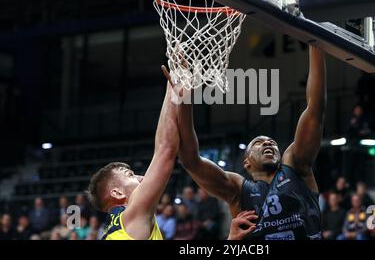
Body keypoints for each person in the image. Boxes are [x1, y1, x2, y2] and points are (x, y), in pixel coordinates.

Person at [175, 46, 326, 240]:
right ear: (246, 162)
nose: (268, 143)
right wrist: (185, 96)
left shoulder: (295, 166)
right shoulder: (238, 190)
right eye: (258, 142)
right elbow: (190, 160)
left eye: (272, 142)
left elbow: (315, 110)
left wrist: (316, 44)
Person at [87, 75, 180, 240]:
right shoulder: (132, 215)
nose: (143, 177)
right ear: (116, 193)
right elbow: (166, 149)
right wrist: (173, 83)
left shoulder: (111, 233)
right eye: (130, 175)